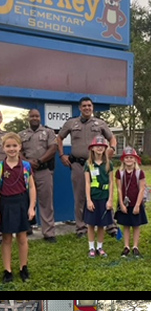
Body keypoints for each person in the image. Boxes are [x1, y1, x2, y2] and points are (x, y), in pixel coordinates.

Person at [57, 97, 117, 237]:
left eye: (89, 105)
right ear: (80, 107)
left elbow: (112, 138)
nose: (87, 108)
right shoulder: (71, 123)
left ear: (92, 107)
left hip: (98, 165)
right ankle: (81, 228)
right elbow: (59, 138)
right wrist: (61, 155)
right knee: (80, 197)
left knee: (103, 193)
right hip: (78, 165)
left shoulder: (100, 123)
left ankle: (110, 225)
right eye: (84, 106)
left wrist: (112, 148)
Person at [0, 133, 36, 282]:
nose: (11, 149)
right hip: (5, 204)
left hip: (21, 202)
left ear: (20, 147)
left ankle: (23, 268)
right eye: (8, 146)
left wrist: (31, 207)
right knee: (6, 238)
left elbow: (31, 187)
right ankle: (8, 270)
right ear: (3, 148)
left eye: (14, 146)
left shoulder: (25, 166)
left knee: (22, 237)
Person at [19, 109, 58, 242]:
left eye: (37, 116)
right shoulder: (21, 134)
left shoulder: (48, 132)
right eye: (32, 116)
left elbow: (53, 148)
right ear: (28, 118)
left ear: (40, 118)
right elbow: (17, 151)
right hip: (27, 171)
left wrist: (40, 161)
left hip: (44, 170)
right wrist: (27, 161)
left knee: (46, 201)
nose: (34, 118)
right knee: (25, 200)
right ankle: (27, 227)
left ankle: (49, 233)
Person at [84, 136, 114, 258]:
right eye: (97, 146)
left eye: (102, 146)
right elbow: (87, 182)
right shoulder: (88, 164)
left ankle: (100, 247)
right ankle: (91, 248)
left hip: (104, 198)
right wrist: (88, 200)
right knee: (91, 224)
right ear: (92, 148)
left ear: (105, 148)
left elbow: (111, 182)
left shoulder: (109, 164)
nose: (99, 148)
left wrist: (110, 199)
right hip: (93, 198)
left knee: (102, 224)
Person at [114, 147, 147, 258]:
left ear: (135, 159)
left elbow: (142, 189)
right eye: (126, 157)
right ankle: (126, 246)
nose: (128, 159)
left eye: (131, 157)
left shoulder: (139, 173)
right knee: (126, 225)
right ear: (123, 159)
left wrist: (138, 205)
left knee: (136, 225)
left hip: (136, 203)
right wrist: (121, 204)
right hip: (124, 203)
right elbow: (119, 189)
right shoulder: (119, 172)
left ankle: (135, 247)